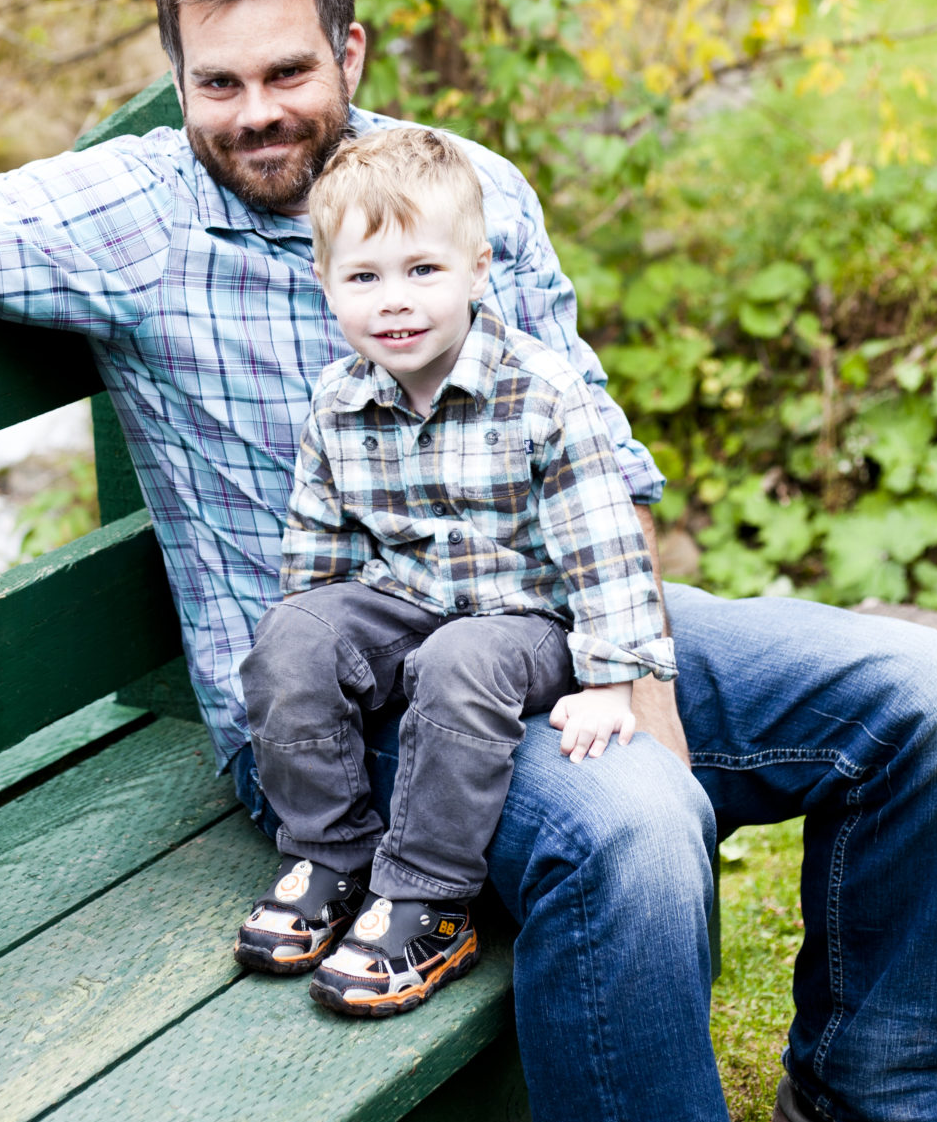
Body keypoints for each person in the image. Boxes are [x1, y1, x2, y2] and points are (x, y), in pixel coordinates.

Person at [0, 0, 937, 1122]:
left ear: (350, 55)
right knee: (640, 824)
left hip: (549, 628)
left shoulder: (465, 192)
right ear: (181, 83)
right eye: (220, 82)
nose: (257, 111)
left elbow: (598, 453)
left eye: (289, 72)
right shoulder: (134, 214)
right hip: (344, 719)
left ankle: (870, 1103)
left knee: (929, 697)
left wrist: (630, 659)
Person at [235, 124, 675, 1020]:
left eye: (422, 271)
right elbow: (319, 552)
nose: (394, 302)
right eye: (364, 277)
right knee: (291, 634)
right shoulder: (337, 400)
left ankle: (430, 899)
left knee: (461, 659)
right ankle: (333, 857)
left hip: (529, 620)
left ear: (478, 270)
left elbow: (605, 552)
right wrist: (322, 656)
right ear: (326, 285)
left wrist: (612, 682)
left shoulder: (543, 394)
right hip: (411, 602)